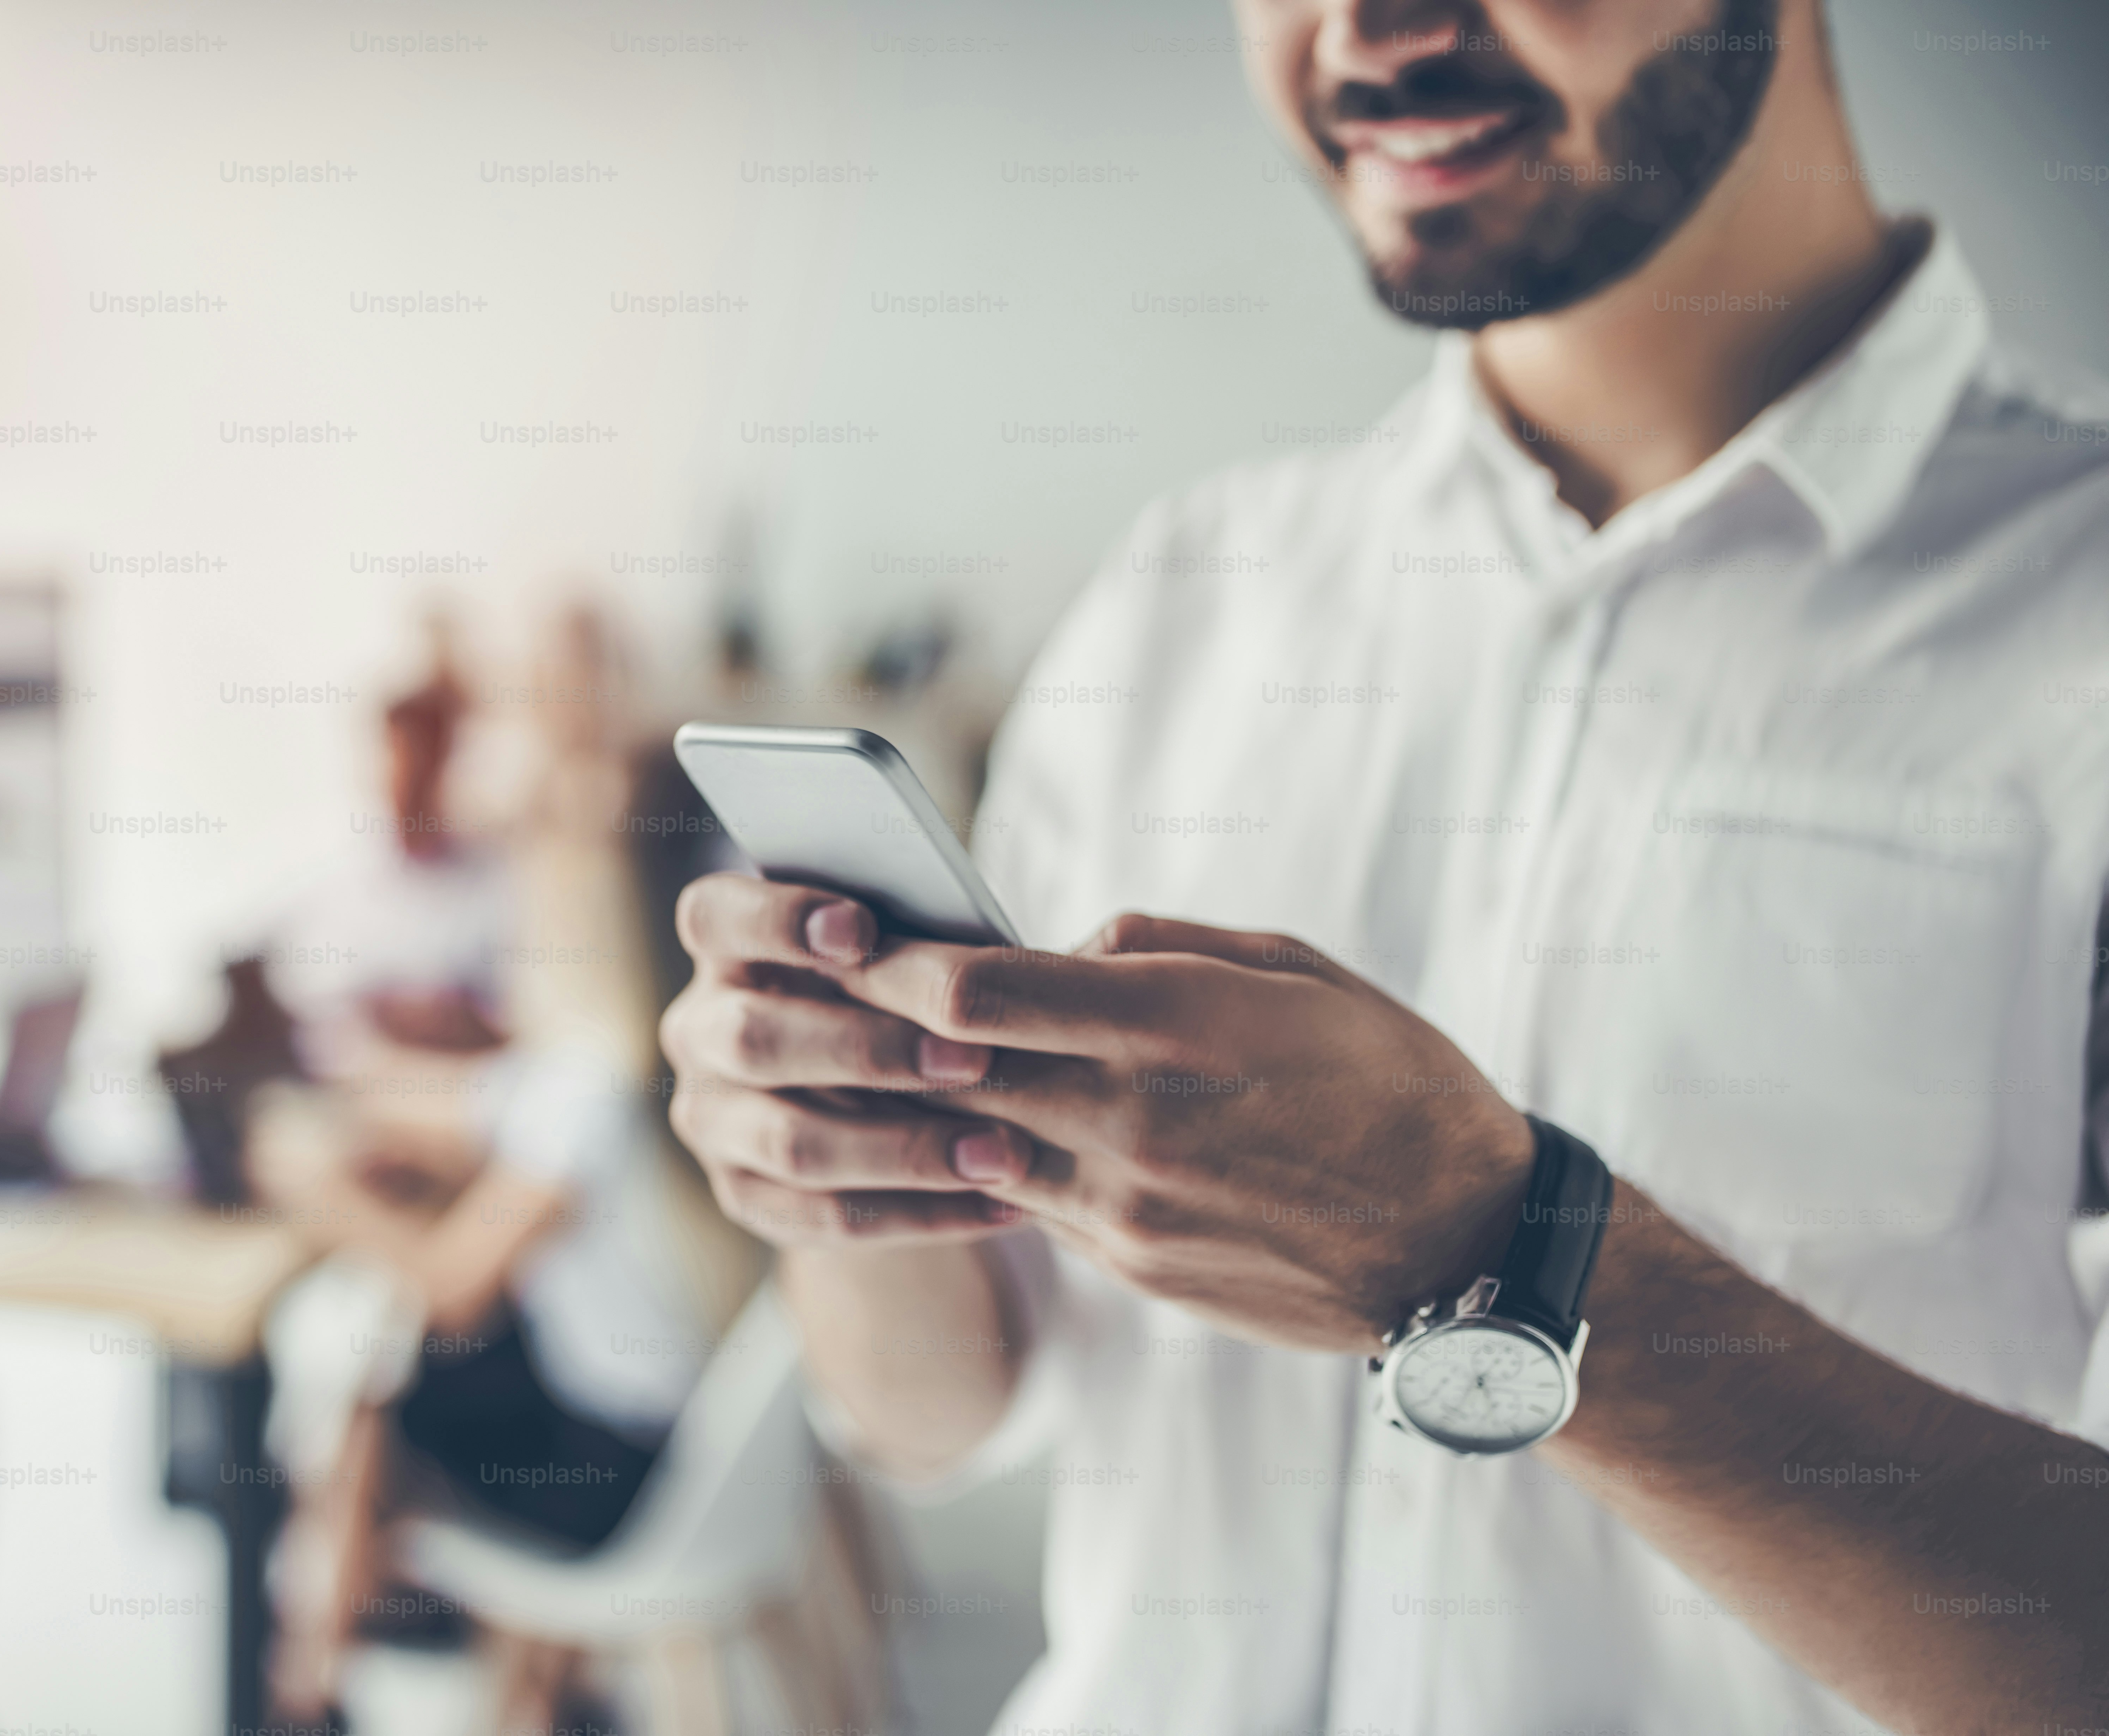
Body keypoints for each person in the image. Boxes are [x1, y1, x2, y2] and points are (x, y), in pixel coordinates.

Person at [659, 4, 2109, 1733]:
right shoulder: (1189, 591)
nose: (1368, 31)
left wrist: (1503, 1253)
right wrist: (843, 1175)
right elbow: (940, 1411)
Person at [254, 642, 731, 1730]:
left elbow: (452, 1282)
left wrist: (319, 1192)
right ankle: (523, 1688)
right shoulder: (618, 1065)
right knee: (427, 1375)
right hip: (678, 1429)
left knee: (383, 1389)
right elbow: (454, 1105)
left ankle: (309, 1686)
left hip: (627, 1472)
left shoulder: (585, 1084)